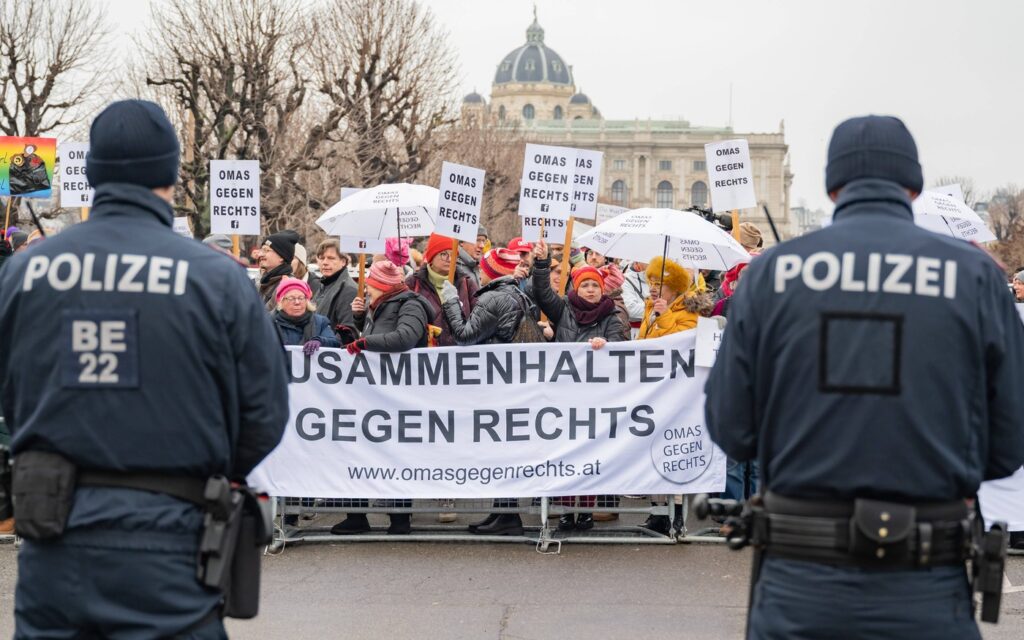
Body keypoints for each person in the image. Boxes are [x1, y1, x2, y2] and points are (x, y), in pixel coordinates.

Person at [706, 115, 1024, 639]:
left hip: (798, 579)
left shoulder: (770, 275)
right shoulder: (975, 277)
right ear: (913, 184)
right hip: (926, 574)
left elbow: (732, 426)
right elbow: (1008, 443)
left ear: (833, 186)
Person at [0, 99, 289, 638]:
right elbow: (266, 414)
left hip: (53, 542)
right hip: (177, 538)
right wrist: (205, 464)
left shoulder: (25, 272)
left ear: (94, 174)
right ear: (170, 174)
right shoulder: (218, 278)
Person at [330, 260, 430, 536]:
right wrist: (359, 324)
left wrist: (365, 342)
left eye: (370, 284)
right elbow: (378, 335)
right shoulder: (381, 305)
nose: (366, 290)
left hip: (398, 395)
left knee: (395, 456)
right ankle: (356, 515)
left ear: (380, 285)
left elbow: (405, 338)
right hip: (373, 393)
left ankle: (399, 521)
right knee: (359, 452)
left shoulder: (410, 304)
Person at [531, 240, 625, 530]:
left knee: (589, 453)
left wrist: (606, 345)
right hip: (564, 395)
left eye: (595, 286)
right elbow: (542, 292)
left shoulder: (612, 314)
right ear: (576, 289)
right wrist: (543, 263)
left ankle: (586, 510)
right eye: (585, 286)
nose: (590, 290)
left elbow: (623, 346)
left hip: (596, 398)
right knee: (565, 451)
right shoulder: (564, 310)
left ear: (602, 289)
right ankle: (565, 509)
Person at [442, 247, 537, 535]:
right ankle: (502, 512)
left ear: (491, 271)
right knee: (503, 447)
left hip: (498, 382)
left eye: (484, 268)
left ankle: (508, 515)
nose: (479, 272)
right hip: (508, 380)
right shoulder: (514, 293)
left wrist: (450, 303)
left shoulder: (493, 298)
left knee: (502, 448)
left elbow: (465, 336)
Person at [407, 233, 477, 346]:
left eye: (453, 254)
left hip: (460, 356)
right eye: (444, 254)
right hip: (426, 357)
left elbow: (477, 323)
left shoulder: (467, 283)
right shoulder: (413, 283)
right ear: (431, 257)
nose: (450, 259)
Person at [272, 277, 340, 353]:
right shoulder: (269, 323)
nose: (297, 302)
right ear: (281, 302)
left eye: (301, 298)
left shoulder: (320, 322)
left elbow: (335, 343)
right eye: (291, 298)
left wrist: (320, 341)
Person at [312, 239, 358, 330]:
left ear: (343, 262)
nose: (325, 262)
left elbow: (347, 331)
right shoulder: (324, 284)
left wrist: (323, 342)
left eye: (331, 258)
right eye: (321, 258)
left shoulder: (349, 290)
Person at [258, 230, 298, 310]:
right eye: (261, 250)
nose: (260, 254)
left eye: (266, 250)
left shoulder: (288, 285)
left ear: (282, 257)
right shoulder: (265, 281)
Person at [620, 261, 649, 338]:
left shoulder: (663, 279)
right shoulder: (625, 279)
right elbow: (630, 309)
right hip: (635, 333)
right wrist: (655, 308)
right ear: (637, 264)